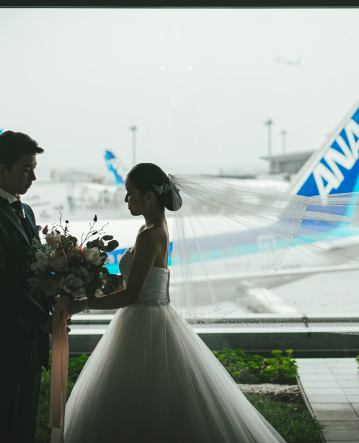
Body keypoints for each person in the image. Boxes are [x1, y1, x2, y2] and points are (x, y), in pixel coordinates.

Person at [63, 163, 286, 443]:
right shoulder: (154, 228)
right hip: (150, 315)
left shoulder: (148, 235)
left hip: (143, 318)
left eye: (129, 192)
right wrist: (91, 291)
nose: (124, 199)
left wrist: (82, 305)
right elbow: (128, 283)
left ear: (149, 197)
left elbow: (132, 294)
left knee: (136, 398)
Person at [0, 131, 70, 443]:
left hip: (30, 342)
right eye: (27, 168)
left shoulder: (25, 211)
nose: (34, 176)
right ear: (1, 171)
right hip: (1, 341)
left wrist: (61, 297)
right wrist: (43, 319)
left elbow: (35, 272)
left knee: (23, 426)